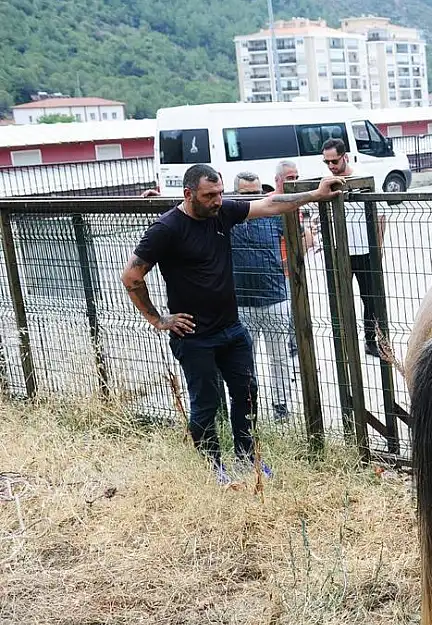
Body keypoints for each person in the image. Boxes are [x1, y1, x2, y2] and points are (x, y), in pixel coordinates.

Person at [121, 163, 342, 483]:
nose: (217, 200)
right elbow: (131, 276)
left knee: (247, 392)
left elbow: (268, 204)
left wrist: (315, 194)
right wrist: (158, 319)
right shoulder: (167, 229)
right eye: (209, 195)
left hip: (232, 329)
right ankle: (213, 467)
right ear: (189, 195)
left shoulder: (221, 213)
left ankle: (246, 458)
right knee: (205, 403)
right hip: (194, 336)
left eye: (221, 193)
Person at [228, 171, 295, 425]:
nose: (253, 198)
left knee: (279, 357)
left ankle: (281, 407)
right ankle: (248, 406)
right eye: (246, 194)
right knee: (245, 360)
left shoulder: (272, 214)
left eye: (257, 192)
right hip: (242, 304)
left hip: (275, 299)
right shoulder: (227, 218)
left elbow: (297, 240)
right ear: (236, 195)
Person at [321, 138, 388, 358]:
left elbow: (381, 216)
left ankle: (371, 341)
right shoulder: (328, 182)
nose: (331, 166)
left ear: (345, 157)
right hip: (341, 252)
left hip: (366, 251)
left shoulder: (362, 179)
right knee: (341, 298)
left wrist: (377, 249)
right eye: (327, 162)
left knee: (370, 299)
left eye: (334, 161)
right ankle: (344, 341)